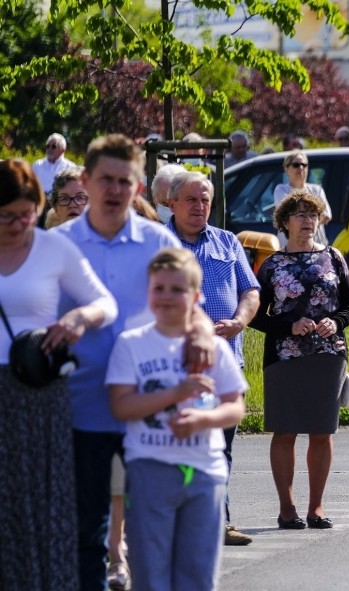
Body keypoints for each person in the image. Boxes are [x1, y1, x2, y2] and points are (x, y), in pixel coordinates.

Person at [52, 134, 214, 590]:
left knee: (154, 528)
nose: (115, 190)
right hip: (80, 406)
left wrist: (200, 332)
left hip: (150, 408)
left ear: (139, 187)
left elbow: (192, 305)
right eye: (105, 179)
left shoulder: (157, 241)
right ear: (86, 180)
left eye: (125, 181)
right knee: (86, 532)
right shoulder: (58, 244)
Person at [0, 159, 118, 590]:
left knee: (41, 502)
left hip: (37, 391)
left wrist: (77, 320)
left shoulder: (52, 249)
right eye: (7, 215)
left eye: (26, 212)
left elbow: (105, 304)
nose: (18, 224)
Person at [107, 248, 246, 591]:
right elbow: (121, 406)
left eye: (178, 290)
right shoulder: (131, 344)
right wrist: (176, 391)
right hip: (149, 467)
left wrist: (203, 419)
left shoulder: (212, 347)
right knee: (151, 573)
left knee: (197, 574)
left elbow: (235, 407)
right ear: (147, 292)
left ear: (196, 296)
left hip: (204, 472)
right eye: (159, 288)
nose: (167, 297)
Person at [250, 189, 349, 531]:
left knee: (321, 431)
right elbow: (254, 314)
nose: (308, 221)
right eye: (300, 215)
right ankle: (287, 508)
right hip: (284, 357)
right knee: (284, 431)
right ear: (284, 223)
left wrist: (336, 321)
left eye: (313, 215)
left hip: (328, 356)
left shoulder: (334, 258)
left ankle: (316, 507)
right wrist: (288, 326)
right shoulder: (272, 265)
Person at [167, 170, 260, 545]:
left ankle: (219, 523)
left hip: (225, 364)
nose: (200, 206)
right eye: (191, 199)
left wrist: (239, 320)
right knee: (176, 447)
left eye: (205, 199)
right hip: (174, 365)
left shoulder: (226, 241)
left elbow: (250, 290)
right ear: (171, 202)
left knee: (221, 448)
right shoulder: (158, 243)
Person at [273, 151, 332, 245]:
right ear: (286, 168)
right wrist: (314, 213)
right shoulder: (280, 189)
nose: (300, 168)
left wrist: (298, 215)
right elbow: (285, 213)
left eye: (304, 165)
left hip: (316, 248)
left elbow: (327, 215)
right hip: (289, 248)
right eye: (296, 165)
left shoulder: (317, 189)